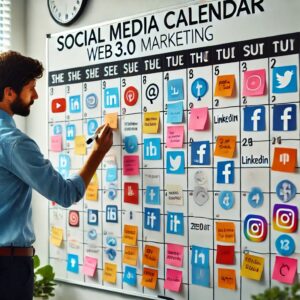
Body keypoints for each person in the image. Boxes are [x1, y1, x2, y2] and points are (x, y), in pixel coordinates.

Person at [0, 51, 113, 300]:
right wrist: (98, 152)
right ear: (9, 93)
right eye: (31, 88)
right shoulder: (14, 143)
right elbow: (64, 193)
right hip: (8, 271)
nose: (36, 96)